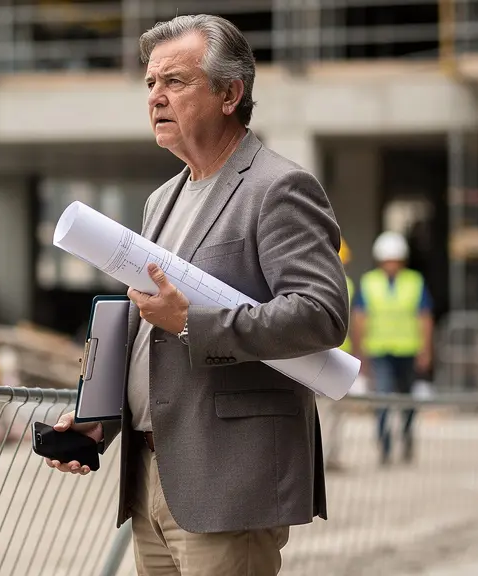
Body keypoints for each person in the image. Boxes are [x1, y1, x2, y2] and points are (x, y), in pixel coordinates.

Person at [45, 14, 349, 575]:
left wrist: (192, 323)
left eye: (176, 82)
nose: (156, 97)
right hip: (150, 475)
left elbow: (321, 315)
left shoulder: (278, 188)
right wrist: (101, 418)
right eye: (150, 84)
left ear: (230, 93)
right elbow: (146, 330)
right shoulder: (162, 199)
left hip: (229, 480)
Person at [352, 230, 433, 466]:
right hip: (380, 351)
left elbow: (425, 318)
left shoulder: (415, 282)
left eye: (395, 260)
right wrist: (360, 353)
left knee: (407, 402)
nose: (392, 265)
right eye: (388, 260)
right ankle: (385, 446)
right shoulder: (369, 282)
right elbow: (359, 318)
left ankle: (407, 438)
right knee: (382, 400)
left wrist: (426, 351)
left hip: (408, 351)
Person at [322, 237, 355, 471]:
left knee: (334, 412)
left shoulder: (346, 284)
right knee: (326, 412)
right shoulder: (338, 284)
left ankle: (330, 456)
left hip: (337, 355)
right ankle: (324, 457)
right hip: (323, 356)